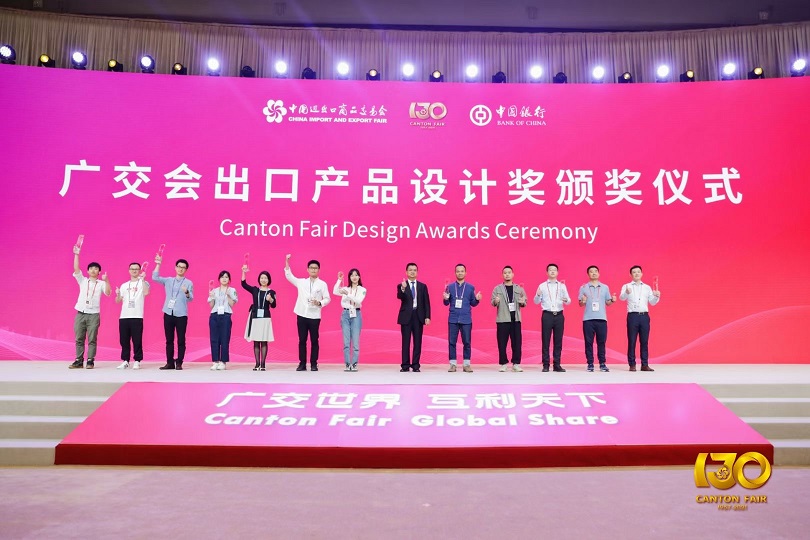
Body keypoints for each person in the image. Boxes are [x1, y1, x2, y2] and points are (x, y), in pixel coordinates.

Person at [285, 254, 331, 371]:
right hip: (301, 314)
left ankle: (314, 363)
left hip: (314, 316)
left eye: (315, 268)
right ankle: (302, 363)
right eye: (311, 268)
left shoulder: (322, 284)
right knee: (302, 340)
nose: (313, 270)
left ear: (319, 270)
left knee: (314, 340)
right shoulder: (301, 282)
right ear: (307, 269)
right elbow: (289, 276)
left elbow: (327, 298)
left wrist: (319, 302)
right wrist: (287, 262)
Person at [69, 245, 111, 369]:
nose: (93, 270)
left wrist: (107, 280)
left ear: (99, 272)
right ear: (87, 271)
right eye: (91, 268)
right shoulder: (83, 281)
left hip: (93, 314)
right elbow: (76, 268)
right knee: (79, 338)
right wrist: (76, 254)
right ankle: (78, 360)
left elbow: (108, 292)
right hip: (81, 313)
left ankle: (90, 360)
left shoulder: (101, 283)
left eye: (96, 268)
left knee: (92, 339)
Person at [153, 255, 193, 370]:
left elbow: (190, 299)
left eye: (183, 267)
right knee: (169, 340)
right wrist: (158, 264)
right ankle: (169, 362)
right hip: (168, 313)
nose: (180, 269)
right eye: (179, 266)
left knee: (181, 340)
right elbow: (155, 277)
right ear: (175, 268)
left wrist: (186, 292)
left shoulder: (188, 283)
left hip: (181, 315)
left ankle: (179, 362)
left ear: (186, 270)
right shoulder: (168, 280)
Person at [619, 265, 661, 372]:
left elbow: (652, 302)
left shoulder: (647, 287)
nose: (636, 274)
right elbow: (621, 298)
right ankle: (632, 364)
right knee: (632, 341)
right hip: (632, 316)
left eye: (638, 272)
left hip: (644, 316)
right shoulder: (626, 286)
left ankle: (644, 365)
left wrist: (657, 296)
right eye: (634, 272)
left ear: (642, 274)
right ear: (630, 275)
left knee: (644, 341)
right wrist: (626, 293)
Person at [443, 263, 482, 373]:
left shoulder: (470, 287)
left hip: (466, 319)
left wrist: (477, 299)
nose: (460, 273)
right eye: (458, 271)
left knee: (467, 342)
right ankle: (453, 365)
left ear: (465, 273)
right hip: (453, 319)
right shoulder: (450, 287)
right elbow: (446, 303)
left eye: (462, 271)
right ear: (455, 273)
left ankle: (466, 365)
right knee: (452, 342)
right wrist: (445, 298)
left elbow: (473, 303)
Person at [578, 265, 617, 372]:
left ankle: (602, 363)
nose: (594, 273)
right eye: (591, 271)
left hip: (601, 319)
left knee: (601, 342)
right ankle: (590, 363)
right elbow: (580, 304)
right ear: (588, 274)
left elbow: (608, 303)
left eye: (596, 271)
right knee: (588, 342)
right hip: (588, 319)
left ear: (599, 273)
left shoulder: (605, 287)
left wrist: (612, 300)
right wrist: (583, 301)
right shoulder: (583, 287)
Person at [534, 263, 571, 372]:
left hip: (559, 315)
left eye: (554, 270)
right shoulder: (542, 286)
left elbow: (569, 301)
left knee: (558, 340)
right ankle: (546, 365)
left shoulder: (562, 286)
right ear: (547, 272)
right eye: (550, 270)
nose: (553, 271)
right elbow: (536, 301)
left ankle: (557, 364)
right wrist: (538, 295)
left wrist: (566, 300)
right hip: (547, 315)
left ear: (557, 272)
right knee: (546, 340)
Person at [491, 265, 527, 372]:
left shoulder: (519, 288)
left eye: (509, 272)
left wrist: (523, 302)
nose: (507, 274)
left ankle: (516, 364)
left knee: (517, 343)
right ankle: (503, 363)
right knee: (502, 343)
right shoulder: (497, 289)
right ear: (502, 275)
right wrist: (496, 301)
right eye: (505, 273)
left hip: (515, 319)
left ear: (513, 274)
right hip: (502, 319)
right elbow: (492, 302)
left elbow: (524, 301)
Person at [397, 262, 431, 372]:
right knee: (405, 342)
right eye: (410, 270)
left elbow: (426, 302)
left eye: (414, 270)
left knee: (417, 342)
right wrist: (403, 288)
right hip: (406, 316)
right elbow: (400, 297)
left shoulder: (422, 286)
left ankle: (416, 365)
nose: (412, 272)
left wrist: (427, 316)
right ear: (406, 272)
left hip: (418, 316)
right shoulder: (402, 285)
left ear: (417, 272)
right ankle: (405, 365)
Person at [241, 266, 276, 371]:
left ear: (269, 280)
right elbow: (243, 284)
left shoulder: (271, 292)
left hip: (265, 318)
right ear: (259, 279)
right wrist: (243, 272)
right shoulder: (255, 290)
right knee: (256, 341)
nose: (263, 280)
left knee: (264, 341)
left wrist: (271, 300)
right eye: (262, 278)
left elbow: (274, 305)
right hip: (255, 317)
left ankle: (263, 364)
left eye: (265, 278)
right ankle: (257, 364)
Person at [115, 262, 149, 370]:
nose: (134, 270)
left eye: (136, 269)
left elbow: (146, 292)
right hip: (124, 316)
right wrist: (117, 294)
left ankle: (137, 361)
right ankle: (125, 361)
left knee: (137, 340)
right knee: (124, 340)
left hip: (137, 316)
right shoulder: (124, 285)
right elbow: (118, 301)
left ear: (139, 270)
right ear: (129, 270)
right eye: (132, 269)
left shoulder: (143, 283)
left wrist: (143, 279)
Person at [333, 268, 367, 372]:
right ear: (349, 277)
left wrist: (348, 294)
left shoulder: (362, 289)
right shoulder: (346, 288)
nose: (354, 277)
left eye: (356, 275)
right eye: (352, 275)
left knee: (355, 342)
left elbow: (358, 301)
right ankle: (347, 364)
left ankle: (354, 363)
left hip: (356, 314)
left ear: (359, 277)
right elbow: (335, 291)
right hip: (345, 314)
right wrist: (339, 280)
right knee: (346, 342)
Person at [208, 270, 238, 370]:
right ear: (219, 279)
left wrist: (228, 295)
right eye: (222, 277)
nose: (224, 279)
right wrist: (212, 297)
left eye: (226, 277)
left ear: (229, 279)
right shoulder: (214, 290)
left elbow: (232, 304)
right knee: (214, 339)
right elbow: (211, 305)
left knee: (225, 339)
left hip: (225, 316)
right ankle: (215, 361)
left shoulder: (232, 290)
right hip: (214, 315)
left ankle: (223, 361)